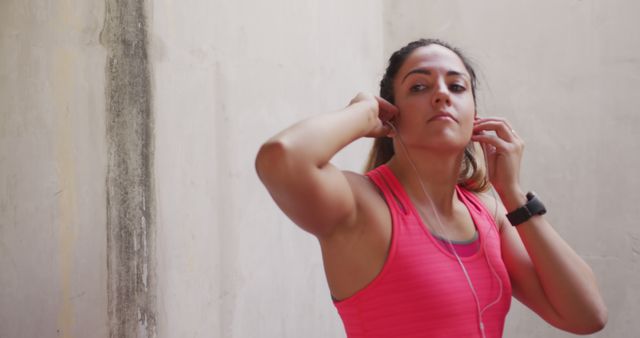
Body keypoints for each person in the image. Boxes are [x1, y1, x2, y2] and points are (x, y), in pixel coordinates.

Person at [255, 38, 607, 337]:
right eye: (419, 87)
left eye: (456, 86)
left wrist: (513, 195)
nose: (441, 94)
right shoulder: (362, 205)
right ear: (390, 114)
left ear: (474, 115)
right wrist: (362, 114)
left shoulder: (490, 213)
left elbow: (587, 315)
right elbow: (281, 157)